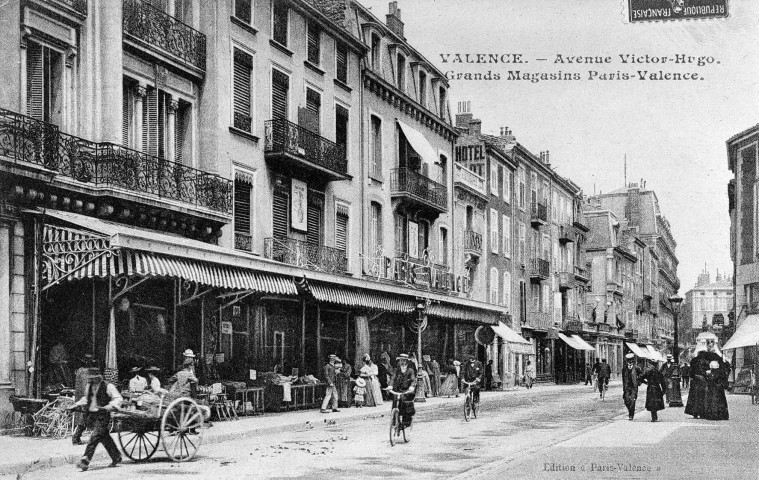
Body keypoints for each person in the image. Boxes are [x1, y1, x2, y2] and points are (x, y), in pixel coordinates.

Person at [69, 371, 123, 471]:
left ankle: (85, 460)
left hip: (103, 415)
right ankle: (116, 457)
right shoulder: (89, 386)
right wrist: (76, 405)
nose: (92, 380)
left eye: (94, 378)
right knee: (104, 437)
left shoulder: (108, 386)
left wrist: (109, 406)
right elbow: (86, 398)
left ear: (99, 377)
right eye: (91, 378)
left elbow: (118, 398)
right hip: (93, 415)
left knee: (95, 436)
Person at [685, 338, 726, 419]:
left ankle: (696, 412)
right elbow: (721, 368)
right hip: (707, 380)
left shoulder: (695, 360)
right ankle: (705, 412)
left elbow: (691, 373)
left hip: (698, 381)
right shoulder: (713, 357)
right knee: (705, 397)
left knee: (696, 397)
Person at [71, 355, 97, 445]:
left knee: (83, 416)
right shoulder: (88, 372)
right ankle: (76, 437)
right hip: (86, 397)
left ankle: (77, 437)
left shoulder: (79, 371)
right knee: (85, 417)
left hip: (80, 396)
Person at [387, 354, 417, 427]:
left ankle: (406, 422)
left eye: (404, 360)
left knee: (405, 402)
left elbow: (413, 380)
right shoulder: (396, 370)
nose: (402, 362)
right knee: (395, 401)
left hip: (407, 391)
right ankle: (394, 421)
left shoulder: (410, 370)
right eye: (401, 360)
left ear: (406, 361)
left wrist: (412, 387)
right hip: (398, 390)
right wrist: (390, 385)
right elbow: (393, 378)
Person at [621, 353, 642, 420]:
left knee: (632, 400)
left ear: (633, 360)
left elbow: (641, 376)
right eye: (628, 360)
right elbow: (623, 378)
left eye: (631, 360)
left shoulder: (637, 368)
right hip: (627, 386)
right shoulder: (624, 369)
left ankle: (631, 415)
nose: (630, 362)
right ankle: (630, 410)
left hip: (634, 387)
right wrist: (624, 386)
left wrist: (639, 382)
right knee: (626, 400)